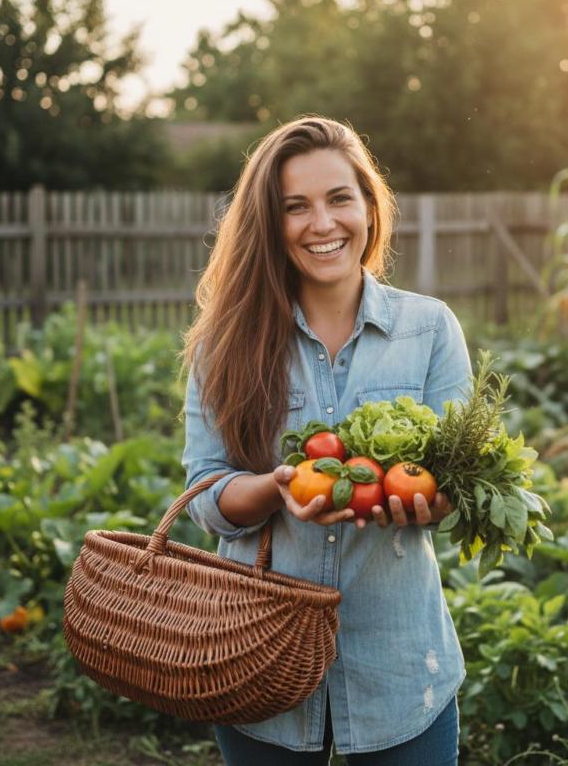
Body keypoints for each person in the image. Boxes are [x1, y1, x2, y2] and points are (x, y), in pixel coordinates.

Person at [180, 116, 472, 766]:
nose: (322, 223)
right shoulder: (224, 344)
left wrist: (426, 501)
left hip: (399, 670)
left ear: (369, 205)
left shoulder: (428, 330)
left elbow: (457, 481)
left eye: (340, 198)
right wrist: (277, 489)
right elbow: (205, 494)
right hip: (258, 665)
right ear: (269, 223)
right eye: (295, 207)